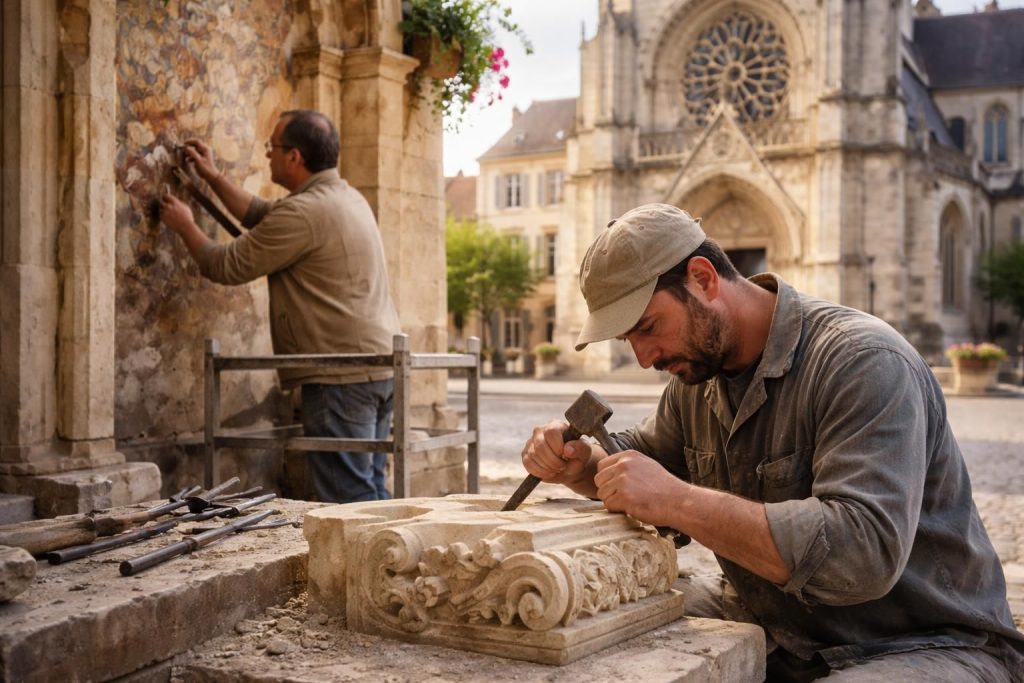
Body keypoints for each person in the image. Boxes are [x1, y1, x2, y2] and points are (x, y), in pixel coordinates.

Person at [520, 203, 1024, 681]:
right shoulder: (697, 378)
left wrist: (678, 502)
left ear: (703, 279)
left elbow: (862, 553)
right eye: (628, 340)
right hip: (779, 630)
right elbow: (644, 461)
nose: (644, 358)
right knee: (586, 632)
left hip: (923, 643)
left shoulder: (864, 361)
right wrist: (582, 464)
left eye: (648, 327)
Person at [160, 109, 401, 504]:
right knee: (370, 488)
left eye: (272, 146)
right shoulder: (344, 197)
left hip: (341, 376)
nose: (267, 154)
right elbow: (261, 215)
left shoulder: (304, 212)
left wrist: (185, 225)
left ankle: (364, 549)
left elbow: (225, 265)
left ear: (294, 156)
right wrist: (212, 176)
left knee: (349, 497)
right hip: (376, 366)